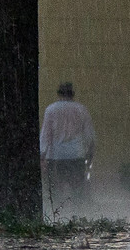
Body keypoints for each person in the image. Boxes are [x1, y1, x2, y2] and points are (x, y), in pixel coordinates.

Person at [40, 81, 97, 221]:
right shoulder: (81, 109)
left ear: (58, 94)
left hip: (56, 156)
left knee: (56, 189)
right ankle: (79, 216)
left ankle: (57, 217)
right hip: (76, 154)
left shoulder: (51, 110)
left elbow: (46, 135)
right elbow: (89, 133)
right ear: (72, 94)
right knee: (77, 188)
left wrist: (42, 155)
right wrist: (90, 152)